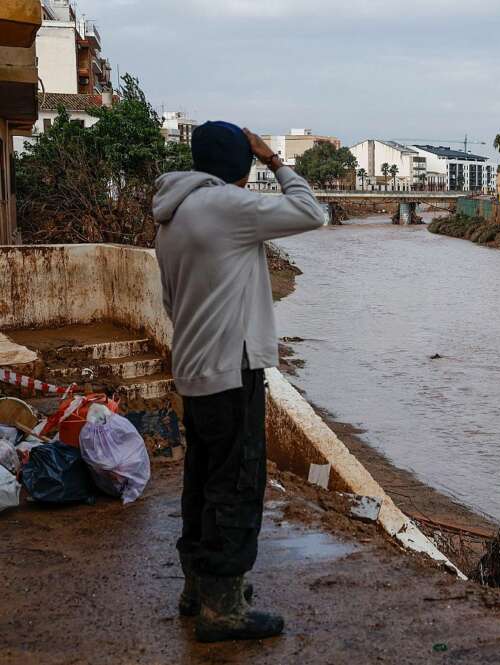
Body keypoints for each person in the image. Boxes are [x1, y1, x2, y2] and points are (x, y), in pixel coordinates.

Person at [152, 121, 325, 642]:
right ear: (240, 164)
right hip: (232, 370)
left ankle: (196, 589)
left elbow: (169, 300)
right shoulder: (226, 207)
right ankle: (223, 611)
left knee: (201, 481)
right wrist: (275, 159)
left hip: (195, 368)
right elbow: (312, 212)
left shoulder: (173, 215)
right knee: (236, 484)